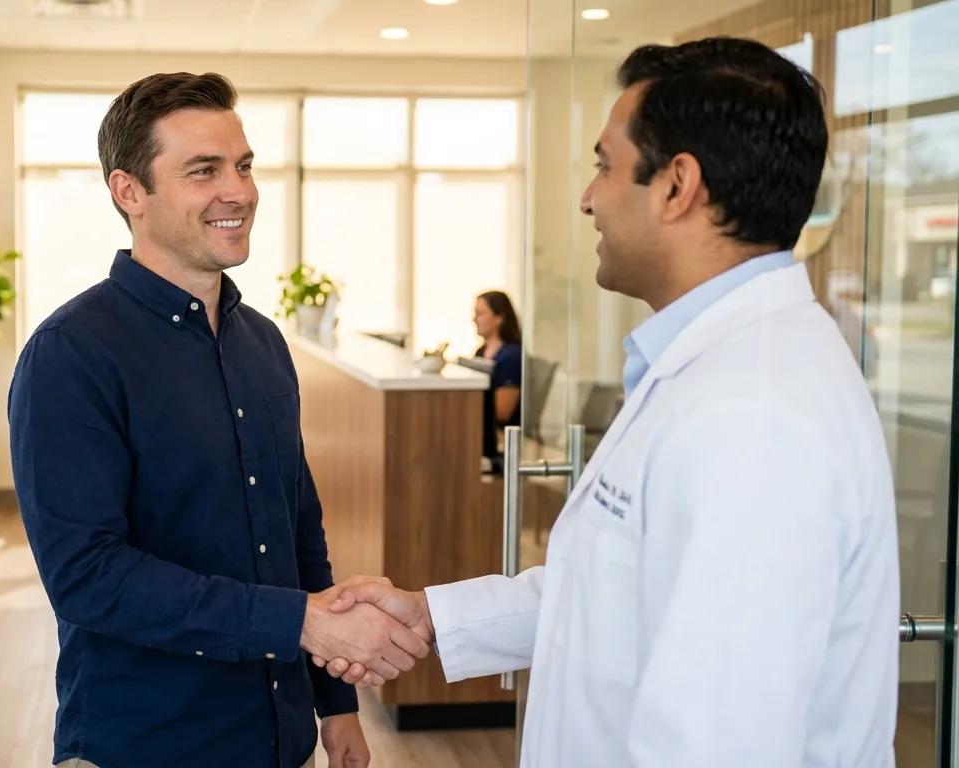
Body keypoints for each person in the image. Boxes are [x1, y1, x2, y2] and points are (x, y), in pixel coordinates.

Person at [314, 37, 900, 767]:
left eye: (604, 165)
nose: (588, 198)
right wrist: (432, 616)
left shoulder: (756, 414)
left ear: (677, 186)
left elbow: (714, 744)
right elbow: (610, 592)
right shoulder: (716, 370)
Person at [7, 72, 429, 768]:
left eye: (243, 166)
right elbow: (88, 575)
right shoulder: (71, 353)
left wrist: (336, 703)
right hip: (146, 745)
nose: (239, 191)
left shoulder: (263, 343)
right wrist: (300, 624)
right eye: (203, 171)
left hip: (280, 738)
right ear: (129, 192)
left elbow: (298, 533)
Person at [473, 290, 523, 468]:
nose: (474, 319)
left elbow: (502, 411)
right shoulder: (480, 353)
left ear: (499, 318)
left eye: (480, 313)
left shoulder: (512, 356)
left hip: (503, 440)